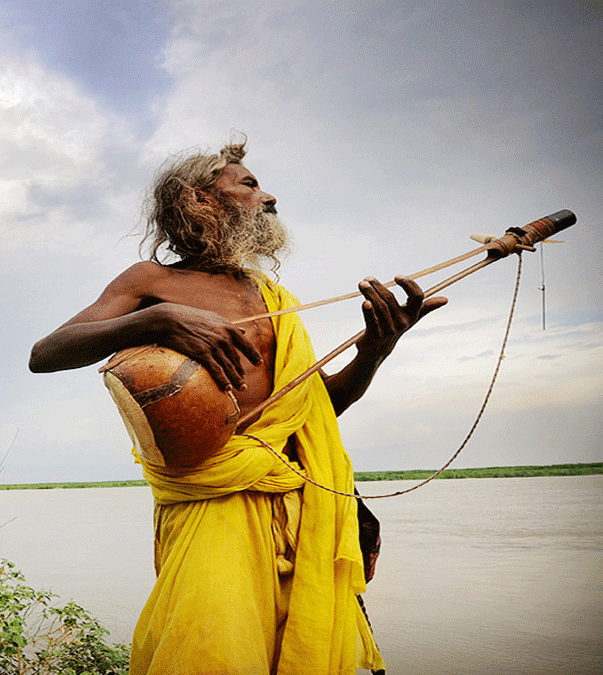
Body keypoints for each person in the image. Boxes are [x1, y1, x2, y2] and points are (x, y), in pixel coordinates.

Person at [29, 141, 446, 674]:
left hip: (297, 503)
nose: (268, 197)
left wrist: (374, 352)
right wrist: (153, 321)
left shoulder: (273, 294)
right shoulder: (150, 282)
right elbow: (44, 355)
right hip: (212, 502)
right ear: (197, 200)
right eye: (248, 185)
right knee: (210, 651)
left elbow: (314, 410)